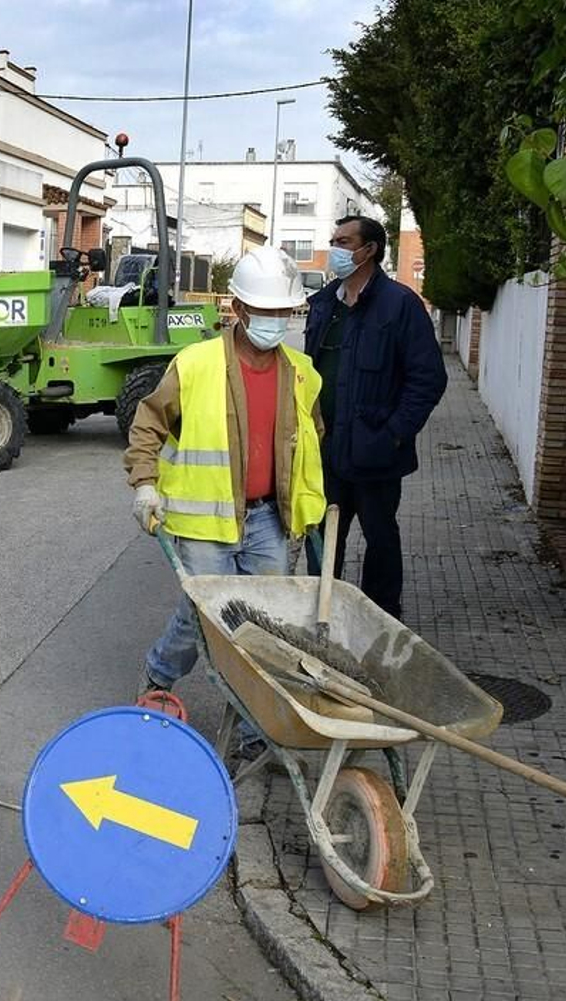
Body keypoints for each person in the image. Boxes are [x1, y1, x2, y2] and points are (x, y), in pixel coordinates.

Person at [125, 248, 326, 754]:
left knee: (264, 625)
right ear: (238, 309)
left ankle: (256, 730)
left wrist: (305, 504)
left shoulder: (301, 373)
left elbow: (311, 437)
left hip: (268, 521)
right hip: (202, 521)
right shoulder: (195, 365)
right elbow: (148, 422)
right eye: (266, 312)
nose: (276, 322)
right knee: (205, 616)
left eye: (284, 313)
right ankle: (159, 674)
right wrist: (145, 483)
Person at [304, 215, 446, 620]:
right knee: (323, 540)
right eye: (333, 240)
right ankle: (323, 615)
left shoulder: (400, 305)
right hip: (325, 450)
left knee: (381, 538)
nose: (335, 249)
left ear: (369, 250)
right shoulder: (324, 304)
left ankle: (380, 620)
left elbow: (429, 379)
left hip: (375, 450)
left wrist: (394, 435)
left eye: (344, 241)